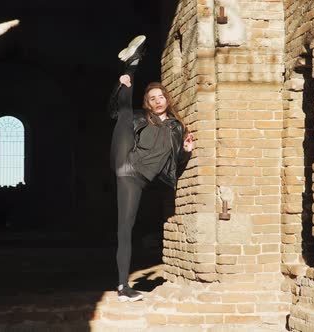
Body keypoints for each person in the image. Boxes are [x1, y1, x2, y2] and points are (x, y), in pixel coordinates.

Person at [108, 35, 194, 302]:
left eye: (160, 96)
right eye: (152, 97)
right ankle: (131, 65)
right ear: (148, 102)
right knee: (124, 114)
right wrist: (119, 88)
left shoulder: (177, 128)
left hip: (138, 179)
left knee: (126, 226)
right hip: (126, 160)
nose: (157, 100)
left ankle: (124, 288)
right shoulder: (141, 118)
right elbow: (114, 111)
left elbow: (173, 163)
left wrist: (186, 152)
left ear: (166, 99)